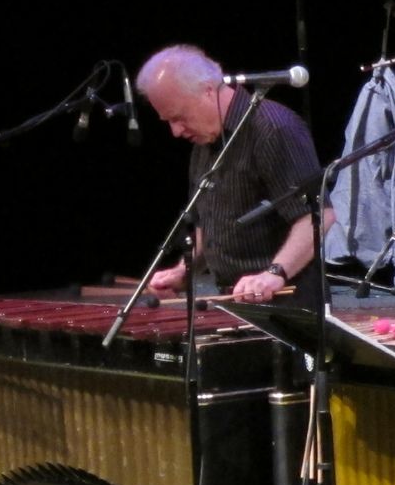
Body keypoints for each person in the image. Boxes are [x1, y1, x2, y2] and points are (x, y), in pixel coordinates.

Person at [138, 45, 327, 305]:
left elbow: (318, 217)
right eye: (168, 121)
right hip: (234, 301)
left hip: (289, 303)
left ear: (207, 90)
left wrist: (275, 273)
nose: (176, 131)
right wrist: (185, 271)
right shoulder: (204, 143)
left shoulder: (273, 128)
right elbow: (211, 224)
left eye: (179, 117)